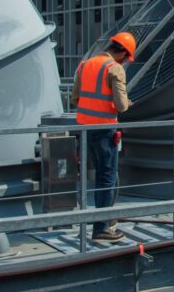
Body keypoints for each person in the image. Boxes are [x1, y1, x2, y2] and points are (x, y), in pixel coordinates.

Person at [70, 32, 136, 241]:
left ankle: (104, 221)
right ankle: (102, 227)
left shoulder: (85, 64)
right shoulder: (114, 68)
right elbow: (121, 106)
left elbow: (75, 98)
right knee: (106, 177)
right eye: (127, 58)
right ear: (123, 53)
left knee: (95, 175)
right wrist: (125, 102)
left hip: (84, 129)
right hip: (105, 130)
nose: (125, 62)